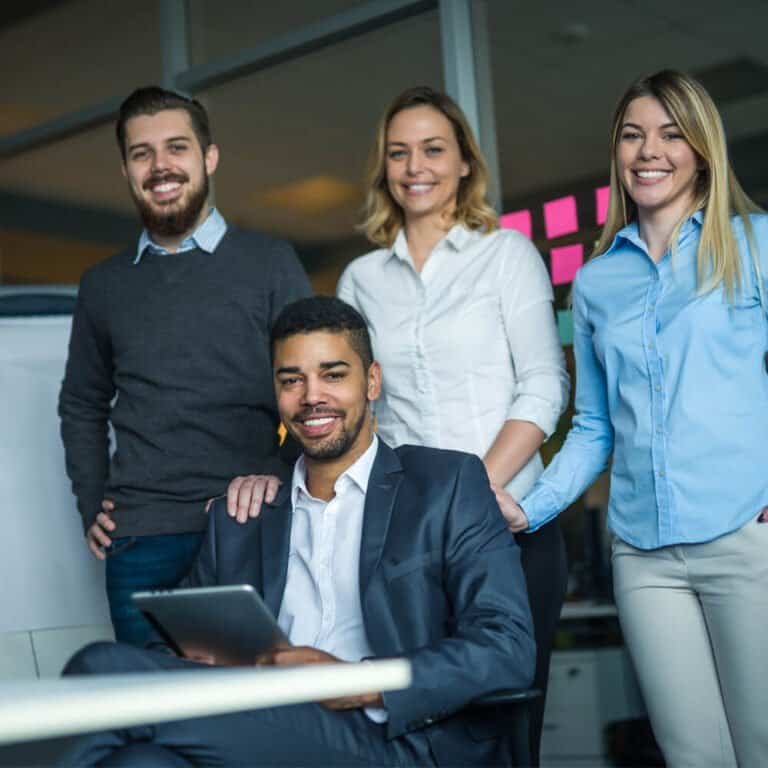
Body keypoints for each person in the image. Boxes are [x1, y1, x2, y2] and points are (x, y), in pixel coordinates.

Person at [227, 85, 569, 764]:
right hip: (402, 535)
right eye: (399, 152)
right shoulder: (360, 278)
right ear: (383, 167)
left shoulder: (507, 256)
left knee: (509, 725)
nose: (416, 166)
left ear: (465, 161)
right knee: (412, 712)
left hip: (511, 520)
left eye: (434, 149)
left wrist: (467, 495)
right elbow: (349, 404)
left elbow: (543, 385)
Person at [60, 296, 536, 768]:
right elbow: (168, 646)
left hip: (395, 740)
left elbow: (507, 647)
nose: (311, 397)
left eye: (333, 375)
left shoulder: (446, 485)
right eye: (292, 381)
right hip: (264, 727)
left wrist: (354, 683)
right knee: (140, 762)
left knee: (101, 667)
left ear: (371, 382)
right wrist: (198, 667)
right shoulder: (242, 519)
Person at [502, 69, 768, 767]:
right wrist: (529, 508)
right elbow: (593, 428)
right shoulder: (594, 283)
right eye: (632, 135)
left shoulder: (755, 245)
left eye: (672, 134)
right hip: (645, 557)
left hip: (747, 538)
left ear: (702, 149)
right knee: (693, 757)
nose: (650, 151)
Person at [58, 86, 312, 647]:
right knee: (151, 711)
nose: (160, 166)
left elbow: (311, 383)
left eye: (176, 147)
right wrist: (90, 497)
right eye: (141, 153)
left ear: (209, 157)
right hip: (138, 539)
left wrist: (280, 470)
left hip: (247, 525)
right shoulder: (103, 285)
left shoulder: (270, 263)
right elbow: (81, 401)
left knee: (246, 711)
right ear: (125, 169)